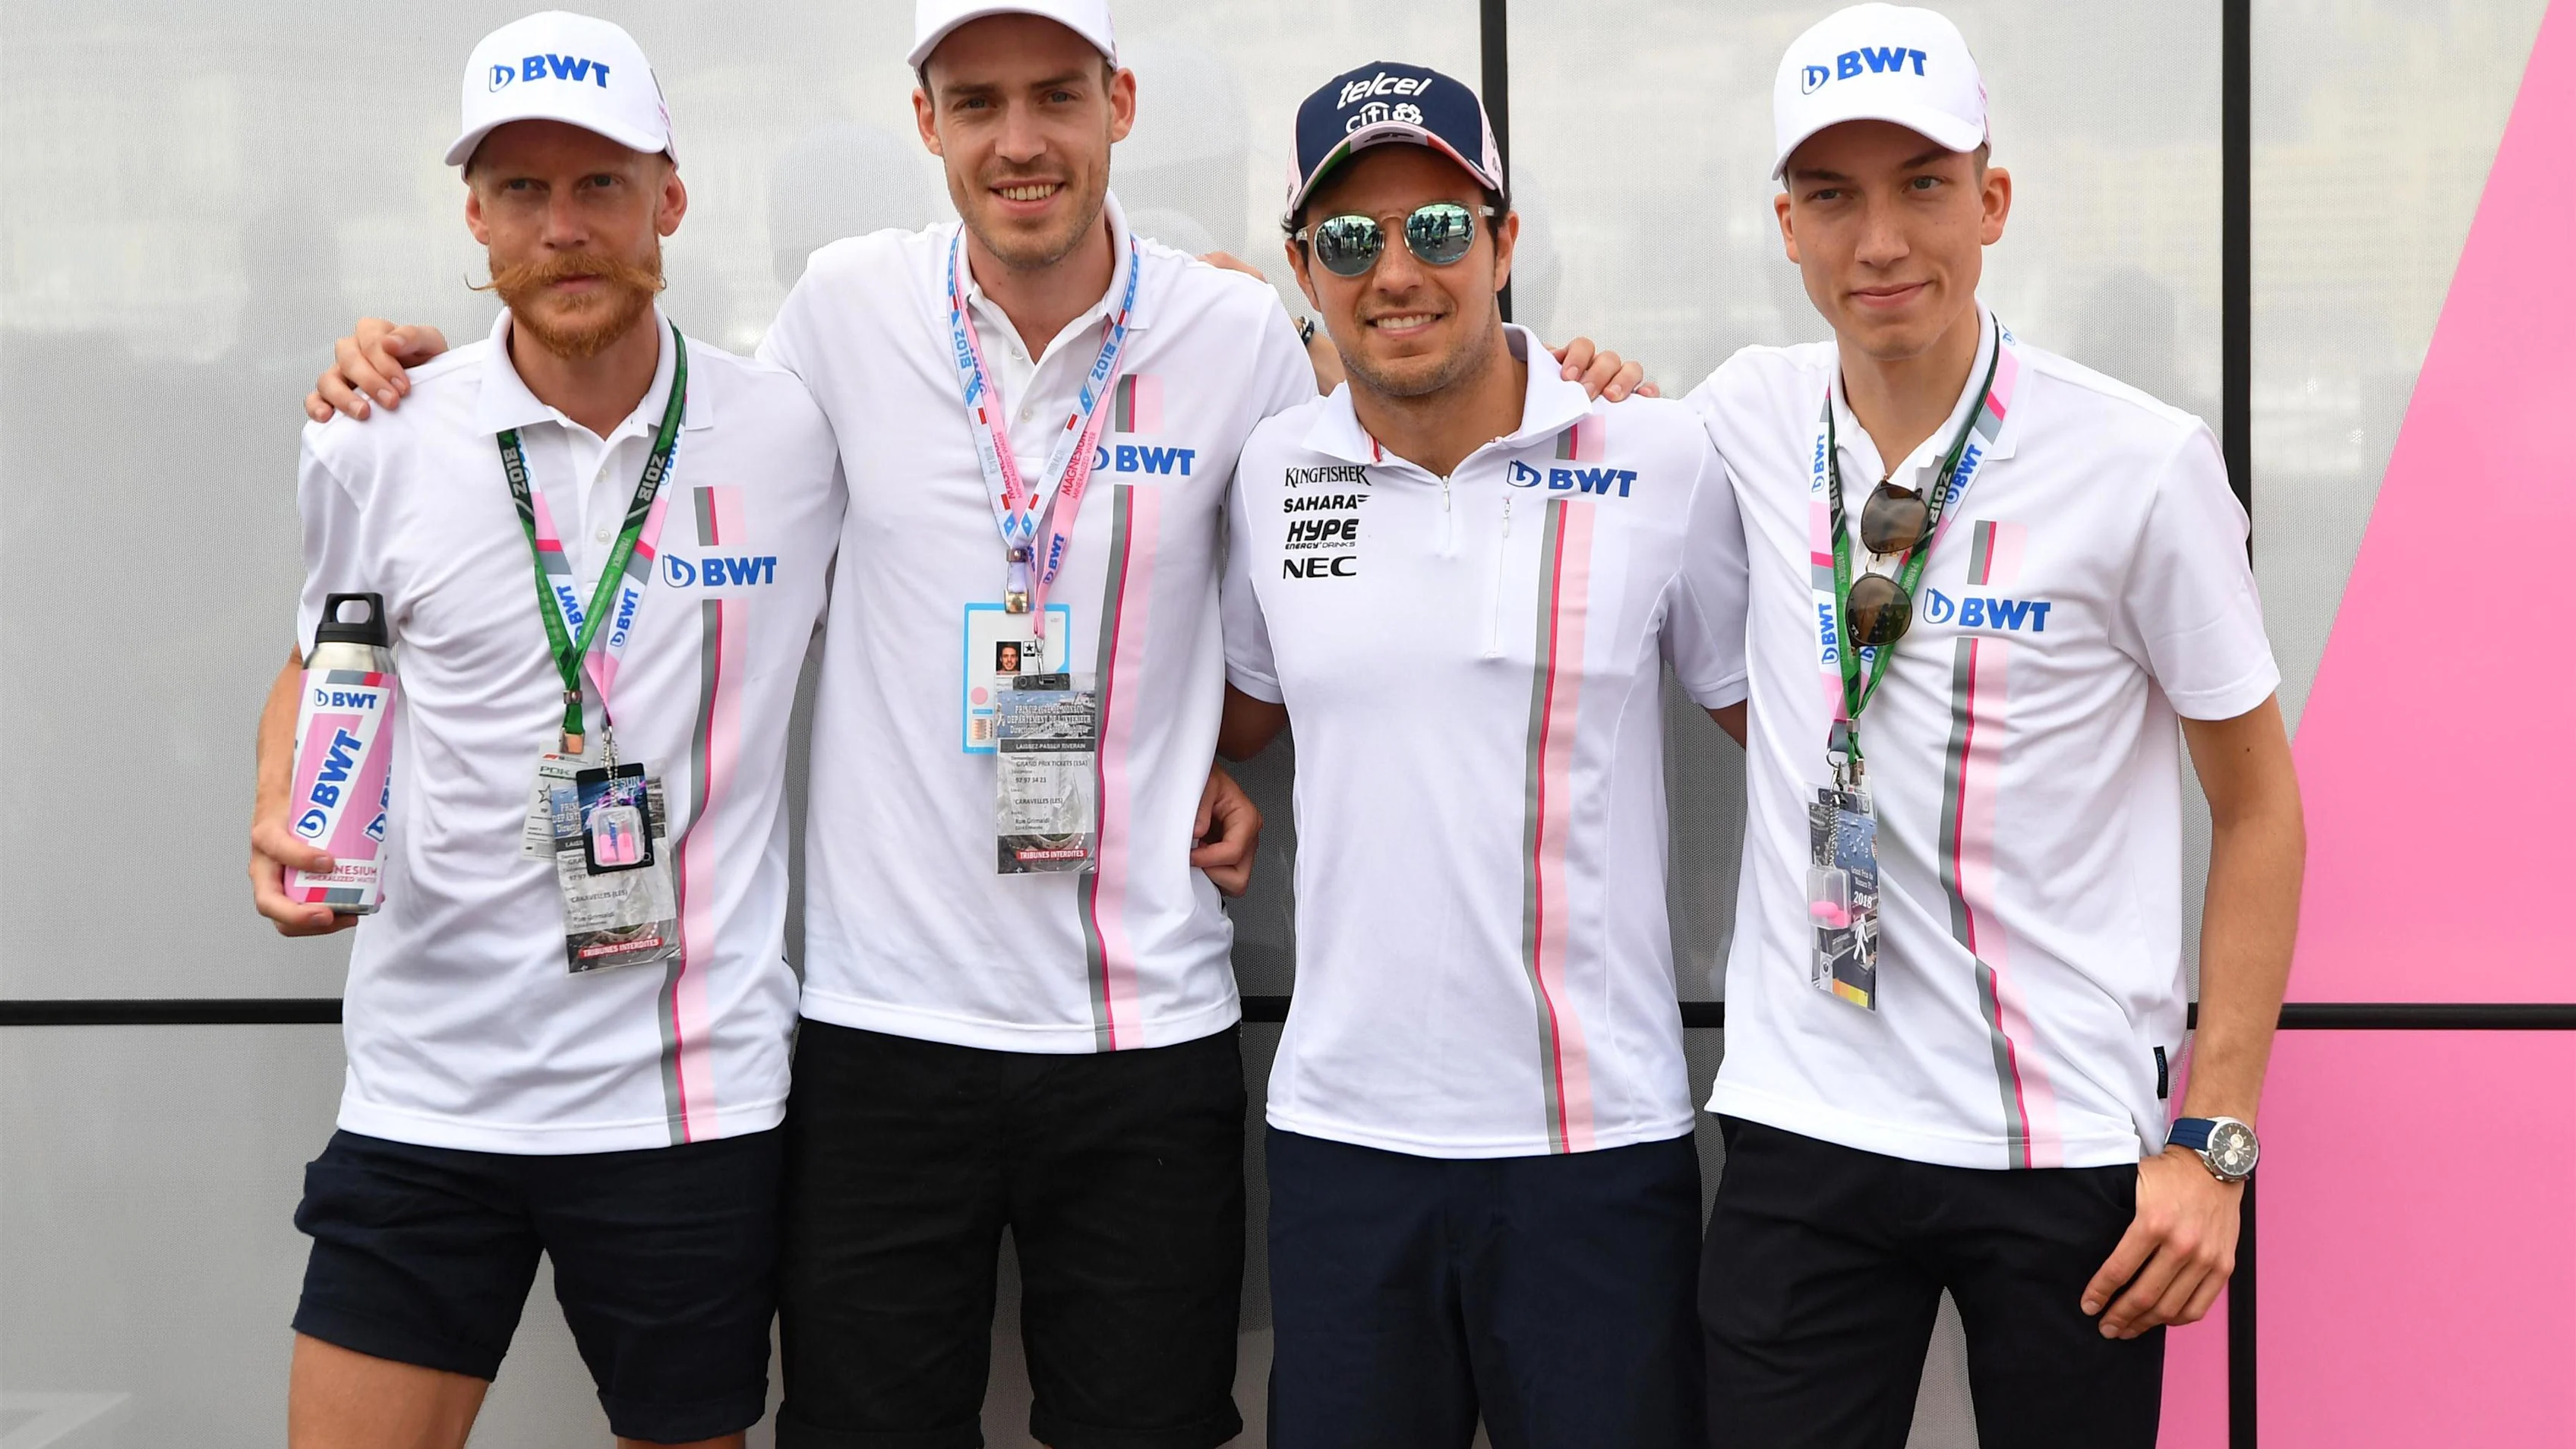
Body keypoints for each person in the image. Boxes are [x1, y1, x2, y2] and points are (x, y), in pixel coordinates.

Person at [303, 4, 1649, 1442]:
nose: (1021, 139)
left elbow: (1381, 474)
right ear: (925, 118)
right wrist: (423, 383)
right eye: (979, 98)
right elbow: (633, 431)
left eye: (1056, 94)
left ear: (1118, 104)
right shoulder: (839, 313)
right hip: (882, 1032)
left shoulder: (1235, 331)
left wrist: (1566, 393)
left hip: (1143, 1032)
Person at [1683, 7, 2305, 1446]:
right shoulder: (1738, 418)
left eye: (1922, 184)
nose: (1881, 239)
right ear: (1786, 225)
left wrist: (2212, 1142)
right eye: (1833, 195)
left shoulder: (2140, 466)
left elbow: (2263, 809)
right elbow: (1500, 410)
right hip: (1806, 1121)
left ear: (1992, 200)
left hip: (2067, 1141)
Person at [247, 14, 844, 1448]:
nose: (562, 227)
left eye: (599, 185)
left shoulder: (791, 437)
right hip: (429, 1090)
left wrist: (1229, 306)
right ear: (474, 213)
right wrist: (279, 809)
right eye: (522, 190)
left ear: (670, 199)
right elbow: (319, 656)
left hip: (683, 1105)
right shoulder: (378, 434)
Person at [1215, 64, 1749, 1449]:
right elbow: (1240, 715)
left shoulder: (1656, 455)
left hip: (1595, 1147)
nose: (1397, 270)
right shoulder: (1269, 469)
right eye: (1350, 240)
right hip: (1344, 1144)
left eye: (1439, 229)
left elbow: (1784, 726)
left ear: (1506, 244)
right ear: (1305, 270)